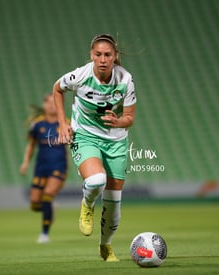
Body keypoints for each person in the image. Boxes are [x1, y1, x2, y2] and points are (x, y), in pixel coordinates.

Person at [52, 34, 137, 262]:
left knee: (113, 203)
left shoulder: (125, 79)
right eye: (98, 54)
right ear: (91, 55)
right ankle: (87, 204)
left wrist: (118, 121)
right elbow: (57, 89)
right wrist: (62, 122)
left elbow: (129, 117)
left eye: (107, 55)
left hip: (116, 141)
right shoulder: (80, 75)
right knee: (96, 180)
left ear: (114, 57)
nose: (102, 59)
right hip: (86, 135)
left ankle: (105, 246)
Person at [19, 94, 68, 244]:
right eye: (49, 103)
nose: (53, 105)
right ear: (44, 105)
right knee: (34, 204)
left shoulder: (66, 123)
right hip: (41, 167)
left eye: (55, 103)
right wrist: (25, 162)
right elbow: (31, 145)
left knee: (47, 195)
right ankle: (49, 209)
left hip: (59, 166)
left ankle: (44, 234)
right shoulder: (37, 124)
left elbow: (76, 143)